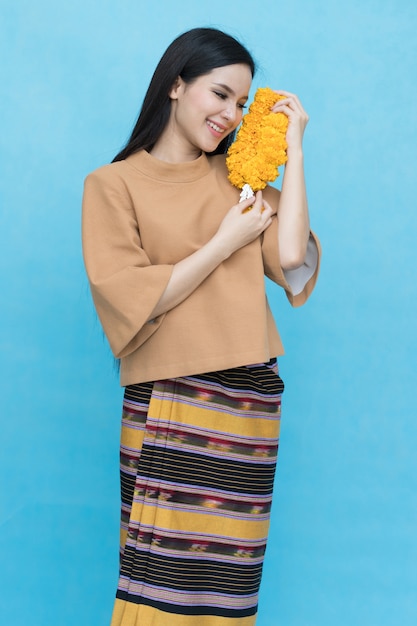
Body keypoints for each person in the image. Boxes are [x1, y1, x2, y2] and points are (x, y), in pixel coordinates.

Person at [82, 27, 320, 626]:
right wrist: (223, 243)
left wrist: (293, 150)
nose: (230, 114)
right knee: (155, 583)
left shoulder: (236, 180)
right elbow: (134, 298)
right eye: (219, 94)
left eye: (241, 102)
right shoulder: (112, 186)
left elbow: (291, 260)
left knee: (227, 592)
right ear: (176, 85)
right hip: (166, 400)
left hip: (245, 408)